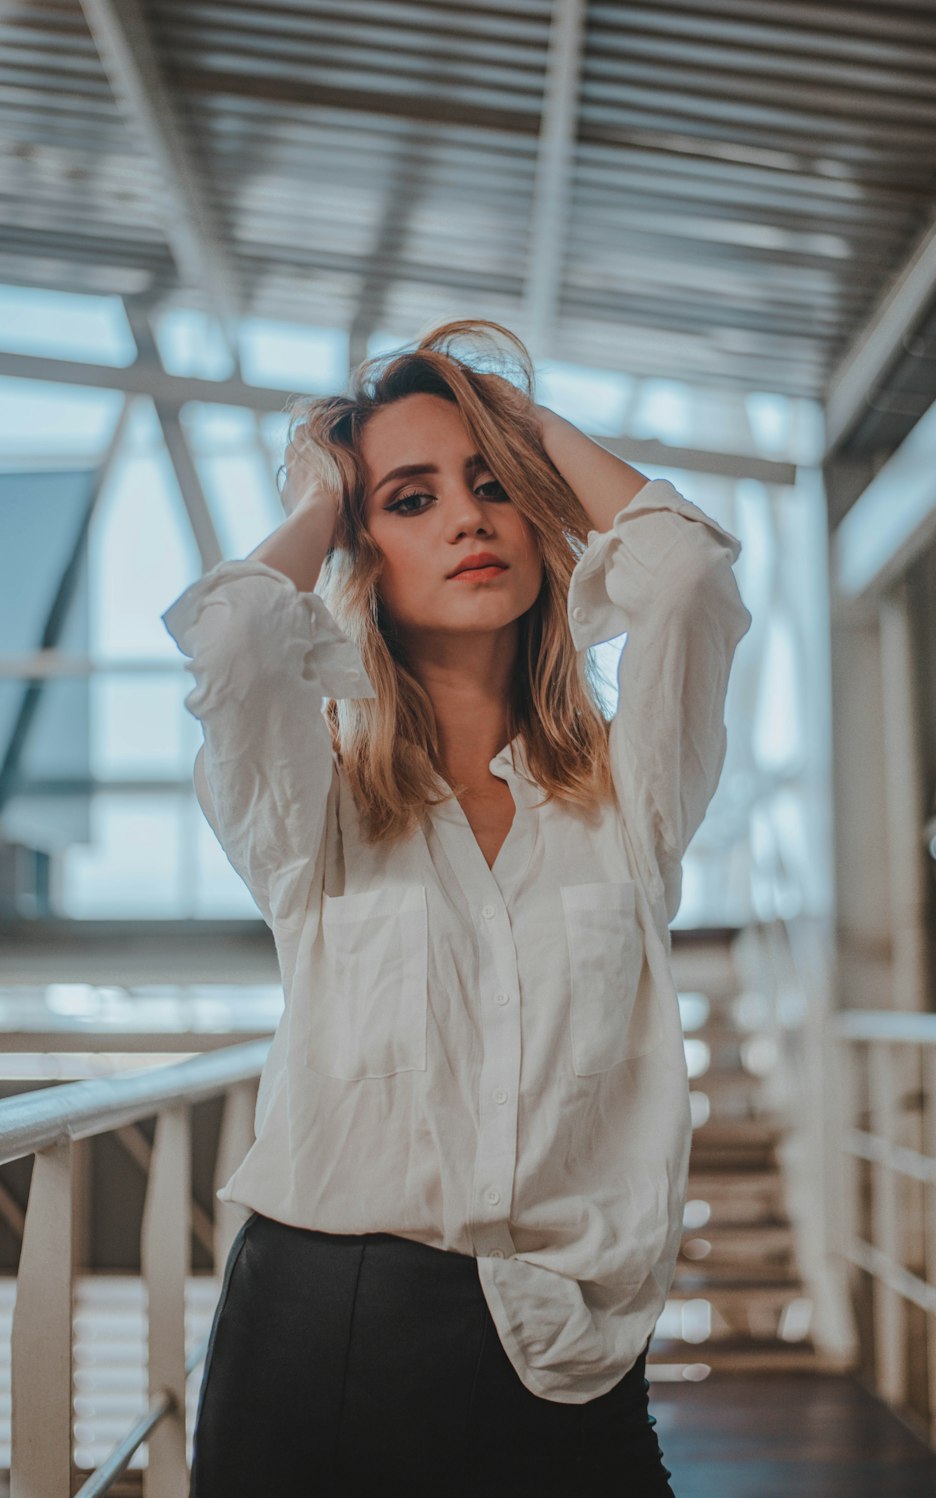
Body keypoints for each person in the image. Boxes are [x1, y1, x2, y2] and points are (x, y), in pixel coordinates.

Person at [161, 318, 752, 1497]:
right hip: (325, 1327)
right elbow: (232, 640)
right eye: (414, 499)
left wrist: (522, 424)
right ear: (364, 546)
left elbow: (684, 578)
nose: (469, 520)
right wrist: (327, 489)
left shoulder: (625, 804)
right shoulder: (311, 811)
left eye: (492, 489)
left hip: (568, 1346)